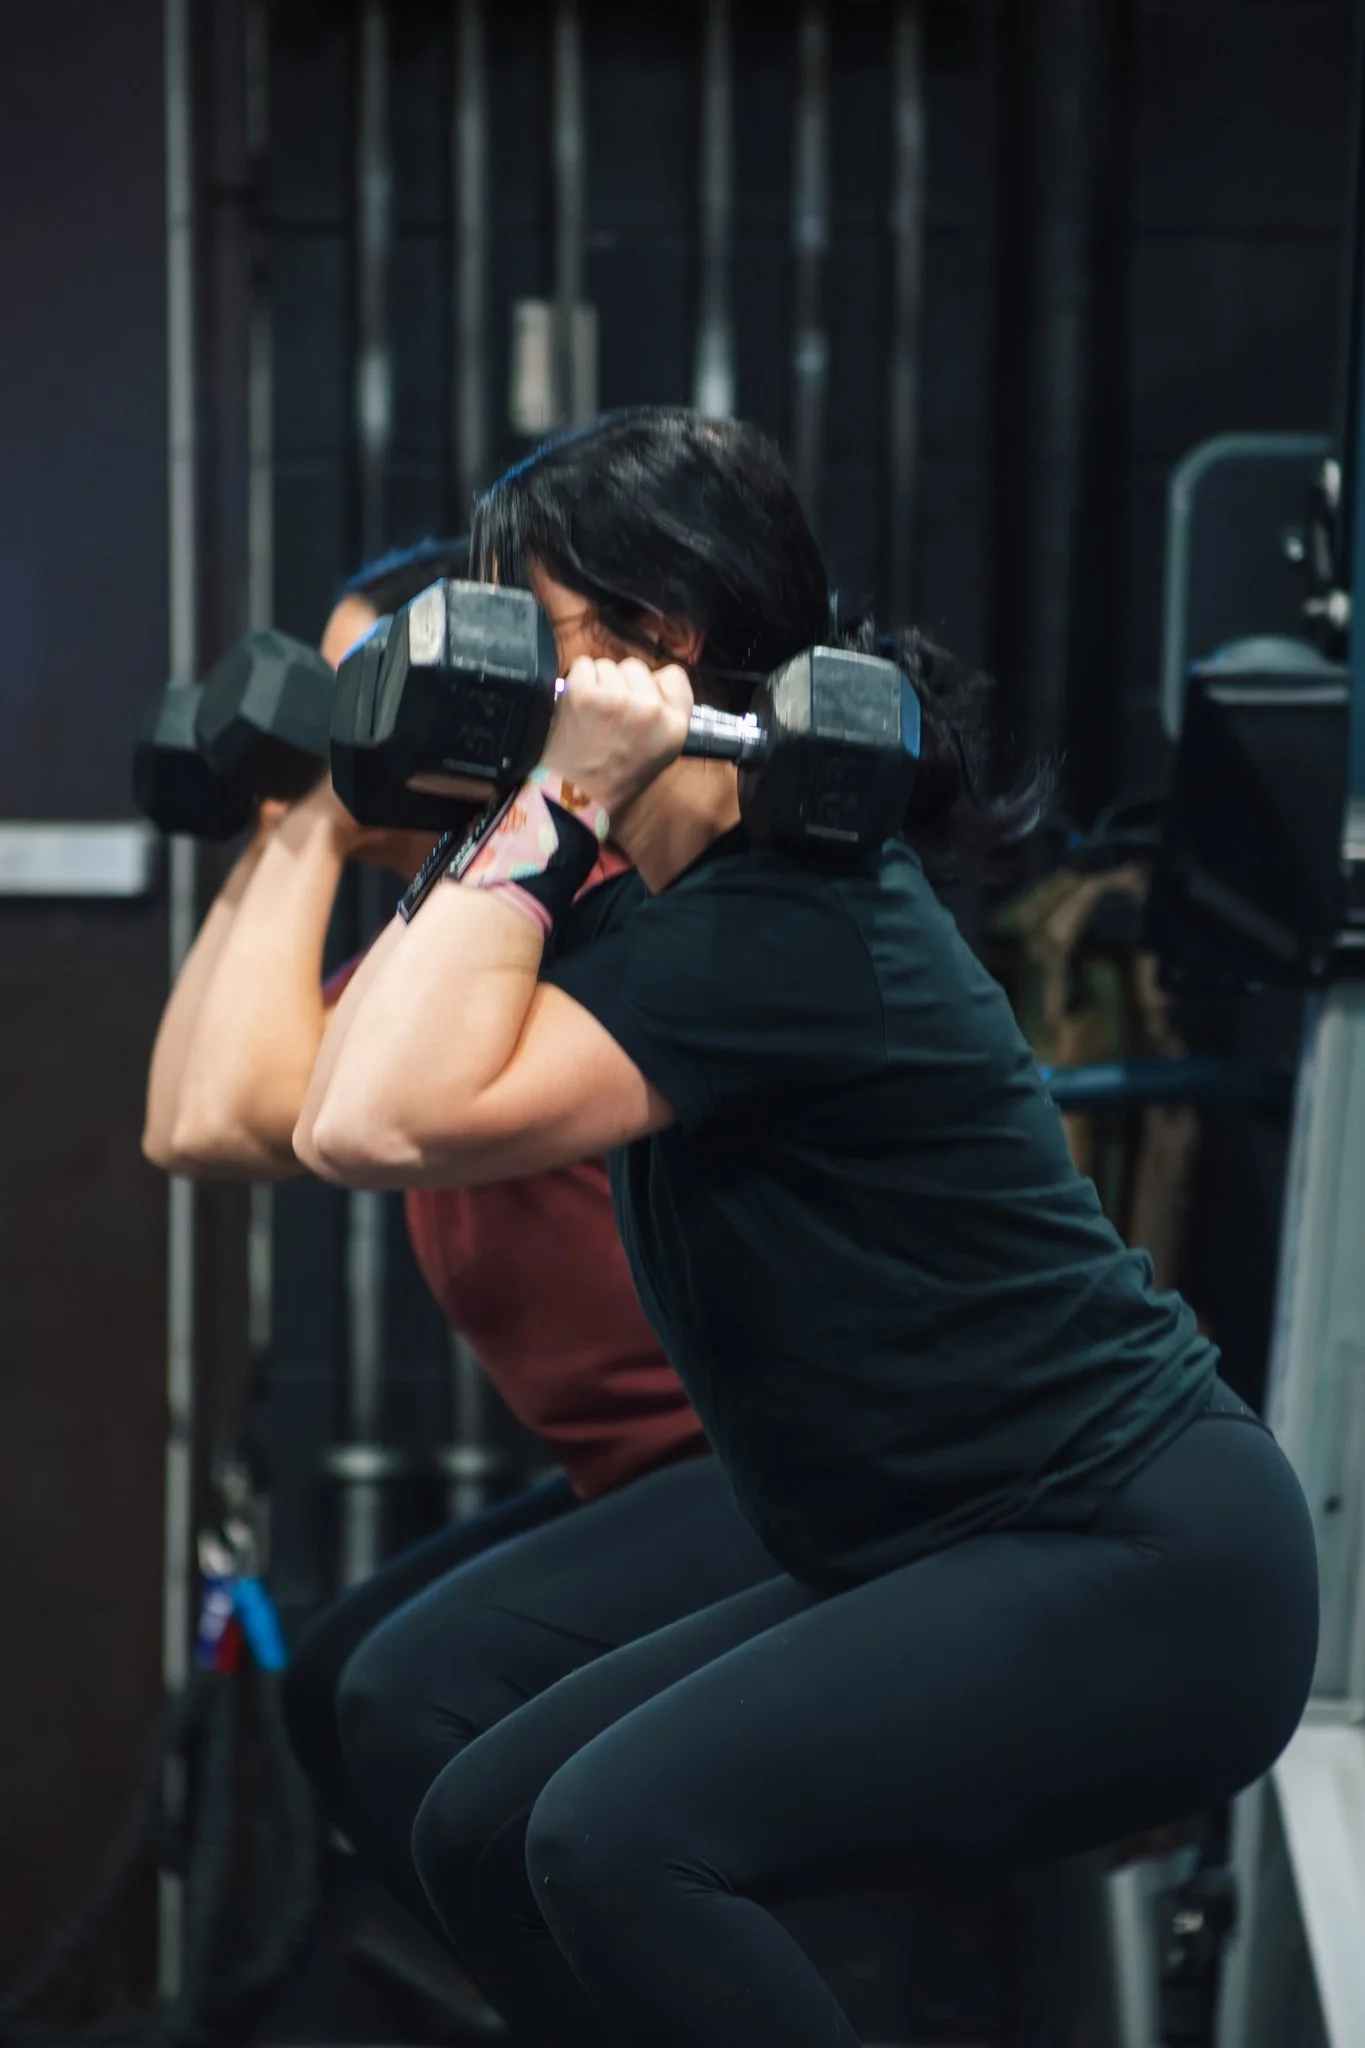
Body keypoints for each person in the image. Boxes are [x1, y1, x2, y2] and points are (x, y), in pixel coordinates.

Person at [297, 407, 1319, 2048]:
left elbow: (375, 1123)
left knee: (617, 1839)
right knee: (485, 1819)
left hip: (1139, 1559)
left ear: (657, 645)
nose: (488, 677)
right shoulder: (649, 901)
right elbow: (336, 1092)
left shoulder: (789, 923)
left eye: (524, 633)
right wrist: (519, 812)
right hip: (938, 1538)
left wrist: (549, 808)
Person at [141, 536, 780, 1951]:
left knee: (404, 1697)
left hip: (763, 1468)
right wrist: (288, 815)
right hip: (641, 1475)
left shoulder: (570, 921)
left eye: (379, 683)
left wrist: (309, 816)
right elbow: (192, 1115)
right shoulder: (440, 941)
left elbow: (239, 1106)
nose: (346, 722)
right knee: (333, 1687)